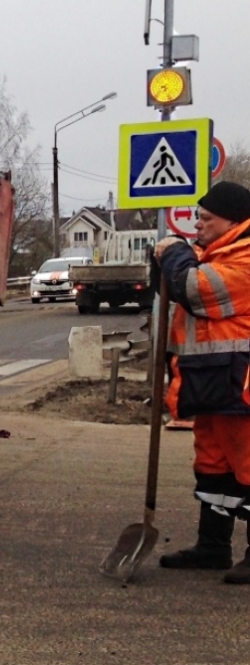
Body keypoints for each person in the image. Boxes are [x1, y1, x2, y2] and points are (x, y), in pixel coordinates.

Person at [154, 180, 250, 584]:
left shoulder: (244, 259)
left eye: (206, 219)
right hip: (213, 384)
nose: (198, 225)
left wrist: (175, 254)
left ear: (233, 221)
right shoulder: (215, 254)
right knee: (213, 467)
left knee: (248, 466)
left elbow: (195, 290)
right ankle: (213, 547)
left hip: (241, 385)